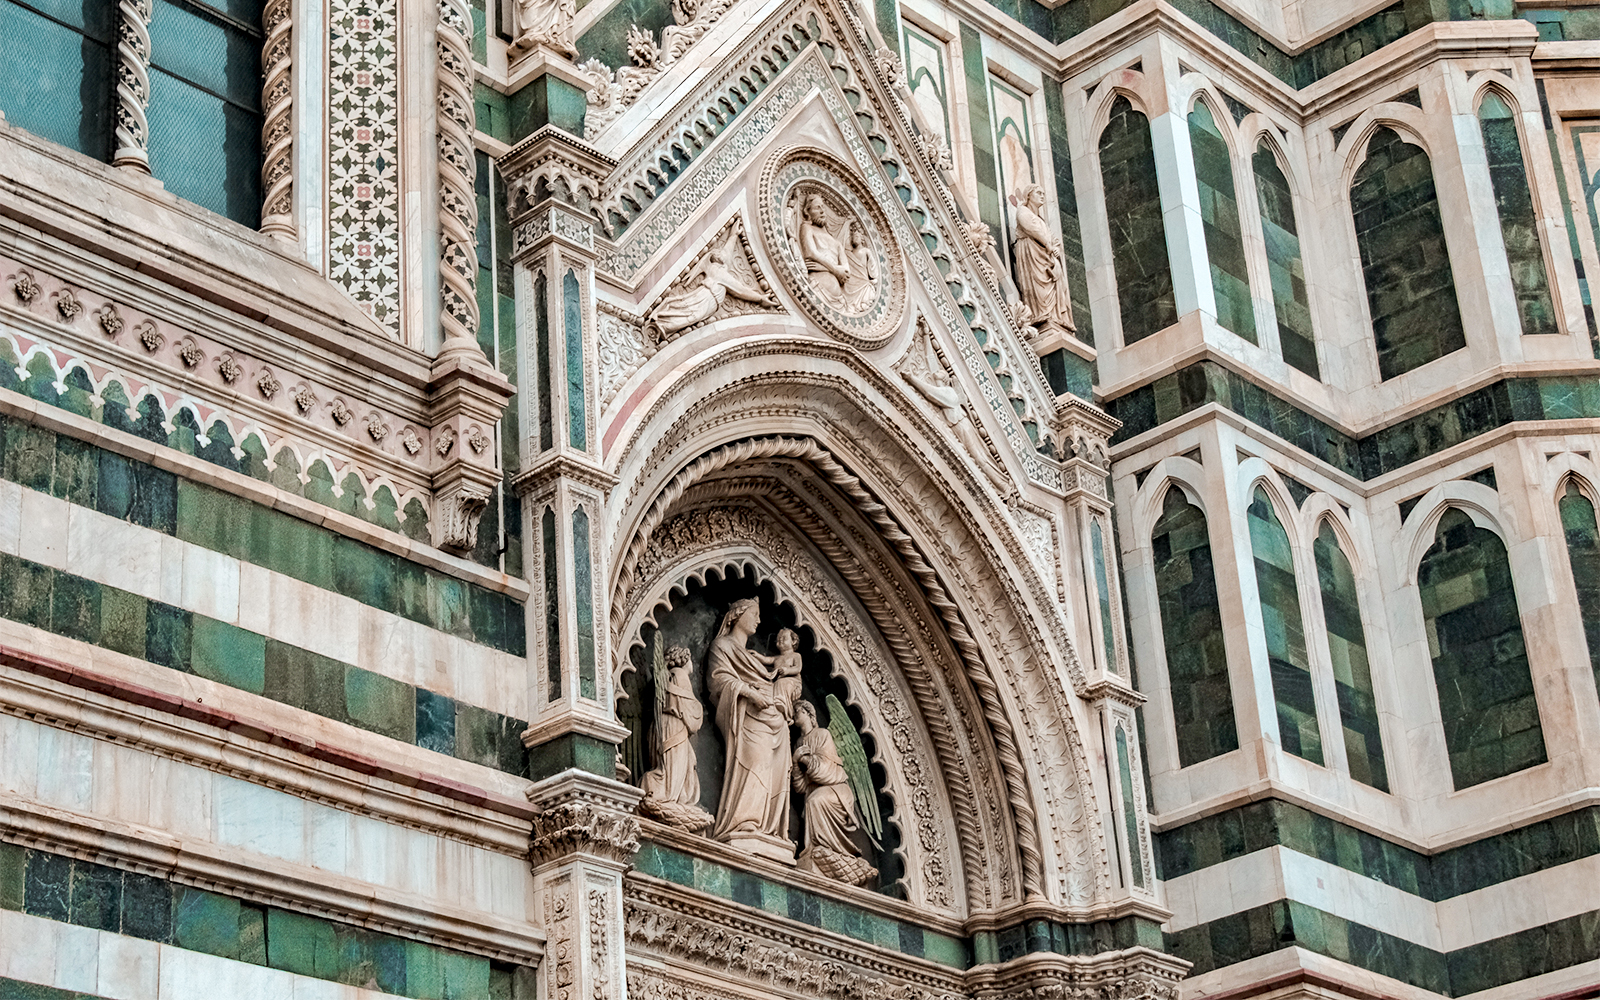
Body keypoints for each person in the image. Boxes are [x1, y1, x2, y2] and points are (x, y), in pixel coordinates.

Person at [706, 599, 793, 860]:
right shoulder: (722, 646)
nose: (758, 620)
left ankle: (769, 830)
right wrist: (749, 693)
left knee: (776, 774)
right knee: (757, 763)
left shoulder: (758, 660)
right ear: (737, 616)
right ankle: (744, 822)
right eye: (754, 614)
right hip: (749, 717)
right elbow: (718, 681)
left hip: (775, 720)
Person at [791, 701, 876, 885]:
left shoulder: (823, 735)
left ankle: (830, 848)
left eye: (799, 710)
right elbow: (799, 787)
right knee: (812, 800)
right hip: (814, 791)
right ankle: (817, 849)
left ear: (809, 714)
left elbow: (826, 771)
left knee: (815, 801)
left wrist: (803, 759)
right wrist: (796, 764)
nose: (795, 713)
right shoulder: (798, 743)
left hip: (837, 789)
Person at [639, 646, 710, 829]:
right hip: (675, 726)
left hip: (661, 726)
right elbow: (689, 710)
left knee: (673, 764)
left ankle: (665, 794)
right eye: (690, 659)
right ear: (684, 660)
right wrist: (698, 712)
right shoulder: (679, 675)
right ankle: (669, 797)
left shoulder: (668, 677)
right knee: (675, 767)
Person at [645, 247, 777, 341]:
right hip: (706, 297)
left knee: (688, 311)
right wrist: (760, 298)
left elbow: (728, 251)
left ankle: (664, 321)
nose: (724, 256)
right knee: (691, 314)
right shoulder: (720, 271)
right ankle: (663, 323)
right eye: (721, 255)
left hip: (710, 301)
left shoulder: (717, 267)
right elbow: (740, 290)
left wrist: (733, 235)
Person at [1011, 184, 1076, 337]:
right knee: (1039, 287)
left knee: (1055, 284)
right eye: (1038, 193)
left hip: (1045, 255)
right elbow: (1032, 229)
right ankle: (1042, 314)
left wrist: (1055, 247)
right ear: (1028, 196)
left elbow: (1051, 236)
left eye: (1043, 193)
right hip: (1032, 253)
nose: (1042, 196)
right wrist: (1048, 245)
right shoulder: (1023, 211)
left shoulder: (1040, 219)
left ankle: (1054, 317)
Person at [798, 193, 849, 309]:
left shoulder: (837, 243)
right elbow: (810, 253)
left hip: (840, 300)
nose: (822, 211)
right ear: (807, 212)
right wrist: (835, 269)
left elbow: (846, 270)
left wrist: (823, 266)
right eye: (817, 207)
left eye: (823, 207)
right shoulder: (807, 228)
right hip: (818, 288)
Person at [765, 628, 803, 722]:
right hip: (780, 682)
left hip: (793, 682)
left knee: (781, 683)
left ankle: (786, 710)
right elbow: (767, 660)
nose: (780, 640)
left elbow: (798, 668)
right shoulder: (777, 658)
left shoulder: (796, 655)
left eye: (784, 638)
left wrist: (787, 670)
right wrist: (756, 656)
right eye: (778, 639)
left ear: (793, 641)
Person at [841, 225, 877, 312]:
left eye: (857, 237)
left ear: (862, 239)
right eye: (853, 237)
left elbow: (872, 266)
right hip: (851, 281)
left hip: (862, 281)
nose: (854, 239)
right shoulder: (849, 253)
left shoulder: (866, 251)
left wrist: (874, 278)